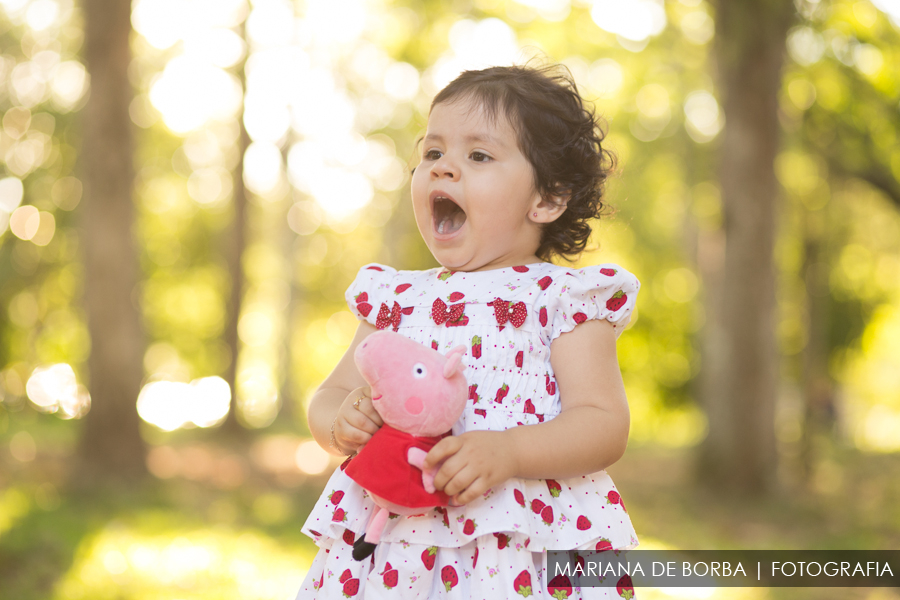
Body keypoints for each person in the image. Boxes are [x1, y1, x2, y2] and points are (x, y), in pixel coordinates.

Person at [295, 63, 641, 599]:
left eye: (478, 156)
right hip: (395, 550)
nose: (442, 169)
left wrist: (510, 453)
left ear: (547, 198)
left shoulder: (562, 299)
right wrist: (341, 421)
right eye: (431, 153)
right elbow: (330, 396)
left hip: (516, 546)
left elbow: (602, 424)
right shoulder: (396, 299)